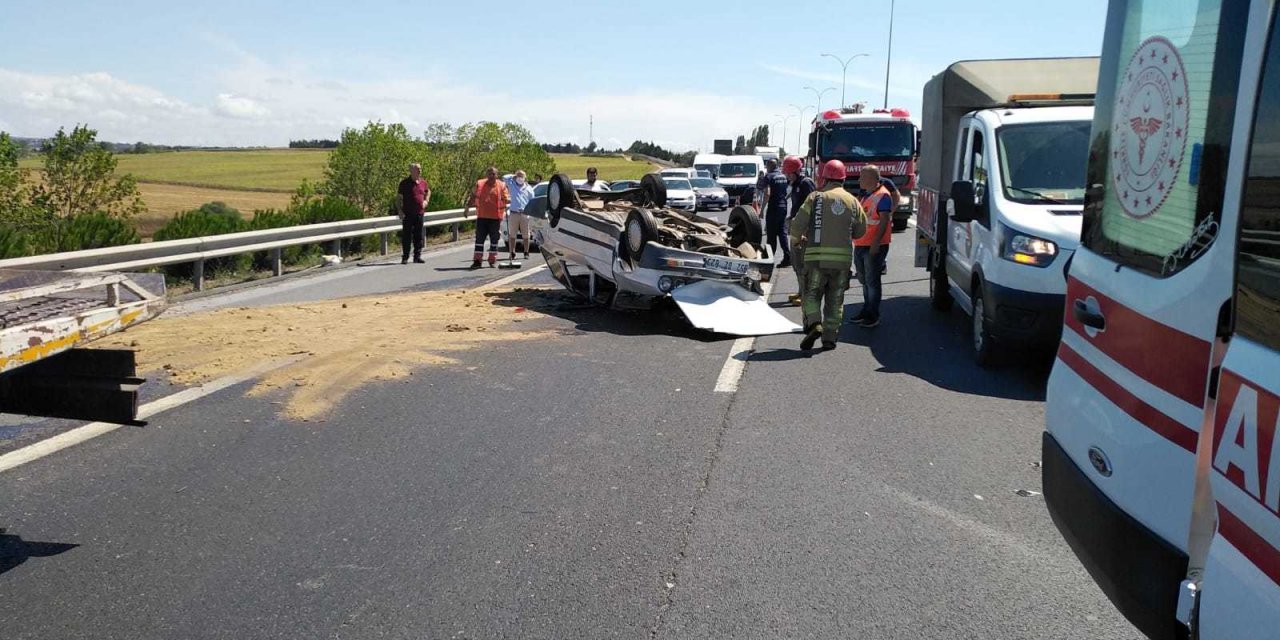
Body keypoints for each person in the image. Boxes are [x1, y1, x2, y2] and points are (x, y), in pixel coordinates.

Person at [789, 159, 867, 351]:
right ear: (843, 178)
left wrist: (796, 241)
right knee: (835, 300)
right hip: (841, 264)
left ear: (823, 178)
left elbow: (797, 224)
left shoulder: (815, 198)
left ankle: (815, 324)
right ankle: (830, 338)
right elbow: (860, 231)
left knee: (812, 295)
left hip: (815, 260)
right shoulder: (853, 201)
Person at [850, 166, 894, 327]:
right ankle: (866, 309)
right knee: (864, 280)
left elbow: (883, 221)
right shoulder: (867, 195)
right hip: (862, 243)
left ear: (871, 179)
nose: (859, 180)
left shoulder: (883, 196)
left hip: (873, 245)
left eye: (862, 177)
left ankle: (872, 314)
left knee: (872, 281)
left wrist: (876, 242)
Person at [783, 156, 817, 305]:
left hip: (804, 230)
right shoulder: (795, 184)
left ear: (797, 171)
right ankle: (801, 291)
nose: (787, 175)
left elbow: (814, 207)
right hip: (796, 227)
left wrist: (806, 231)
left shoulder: (805, 183)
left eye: (789, 173)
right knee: (796, 263)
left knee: (803, 264)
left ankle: (806, 295)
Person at [463, 166, 510, 268]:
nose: (491, 176)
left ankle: (492, 260)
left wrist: (507, 200)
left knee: (494, 240)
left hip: (496, 218)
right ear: (486, 175)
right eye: (489, 173)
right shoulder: (480, 184)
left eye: (493, 174)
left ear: (496, 175)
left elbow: (507, 197)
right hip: (482, 216)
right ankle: (477, 261)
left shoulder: (501, 185)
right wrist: (467, 207)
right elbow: (473, 196)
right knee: (479, 240)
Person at [395, 163, 431, 264]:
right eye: (417, 169)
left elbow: (428, 192)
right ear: (411, 171)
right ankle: (405, 257)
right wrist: (399, 210)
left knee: (418, 236)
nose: (420, 171)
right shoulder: (404, 183)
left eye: (420, 169)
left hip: (419, 213)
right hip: (408, 214)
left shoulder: (423, 182)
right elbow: (398, 198)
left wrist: (426, 201)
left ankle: (417, 256)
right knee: (407, 236)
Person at [761, 158, 792, 268]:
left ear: (769, 166)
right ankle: (787, 257)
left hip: (773, 208)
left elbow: (767, 193)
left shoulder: (769, 177)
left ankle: (769, 260)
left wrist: (761, 210)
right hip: (783, 207)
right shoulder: (783, 176)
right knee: (782, 232)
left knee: (771, 234)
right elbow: (789, 189)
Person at [505, 170, 535, 260]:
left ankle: (526, 252)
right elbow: (504, 177)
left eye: (521, 176)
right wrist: (514, 176)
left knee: (526, 235)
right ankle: (512, 252)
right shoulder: (512, 185)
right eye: (518, 176)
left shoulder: (529, 188)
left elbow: (532, 201)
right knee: (512, 234)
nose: (520, 178)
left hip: (525, 214)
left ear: (525, 178)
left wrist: (528, 210)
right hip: (514, 213)